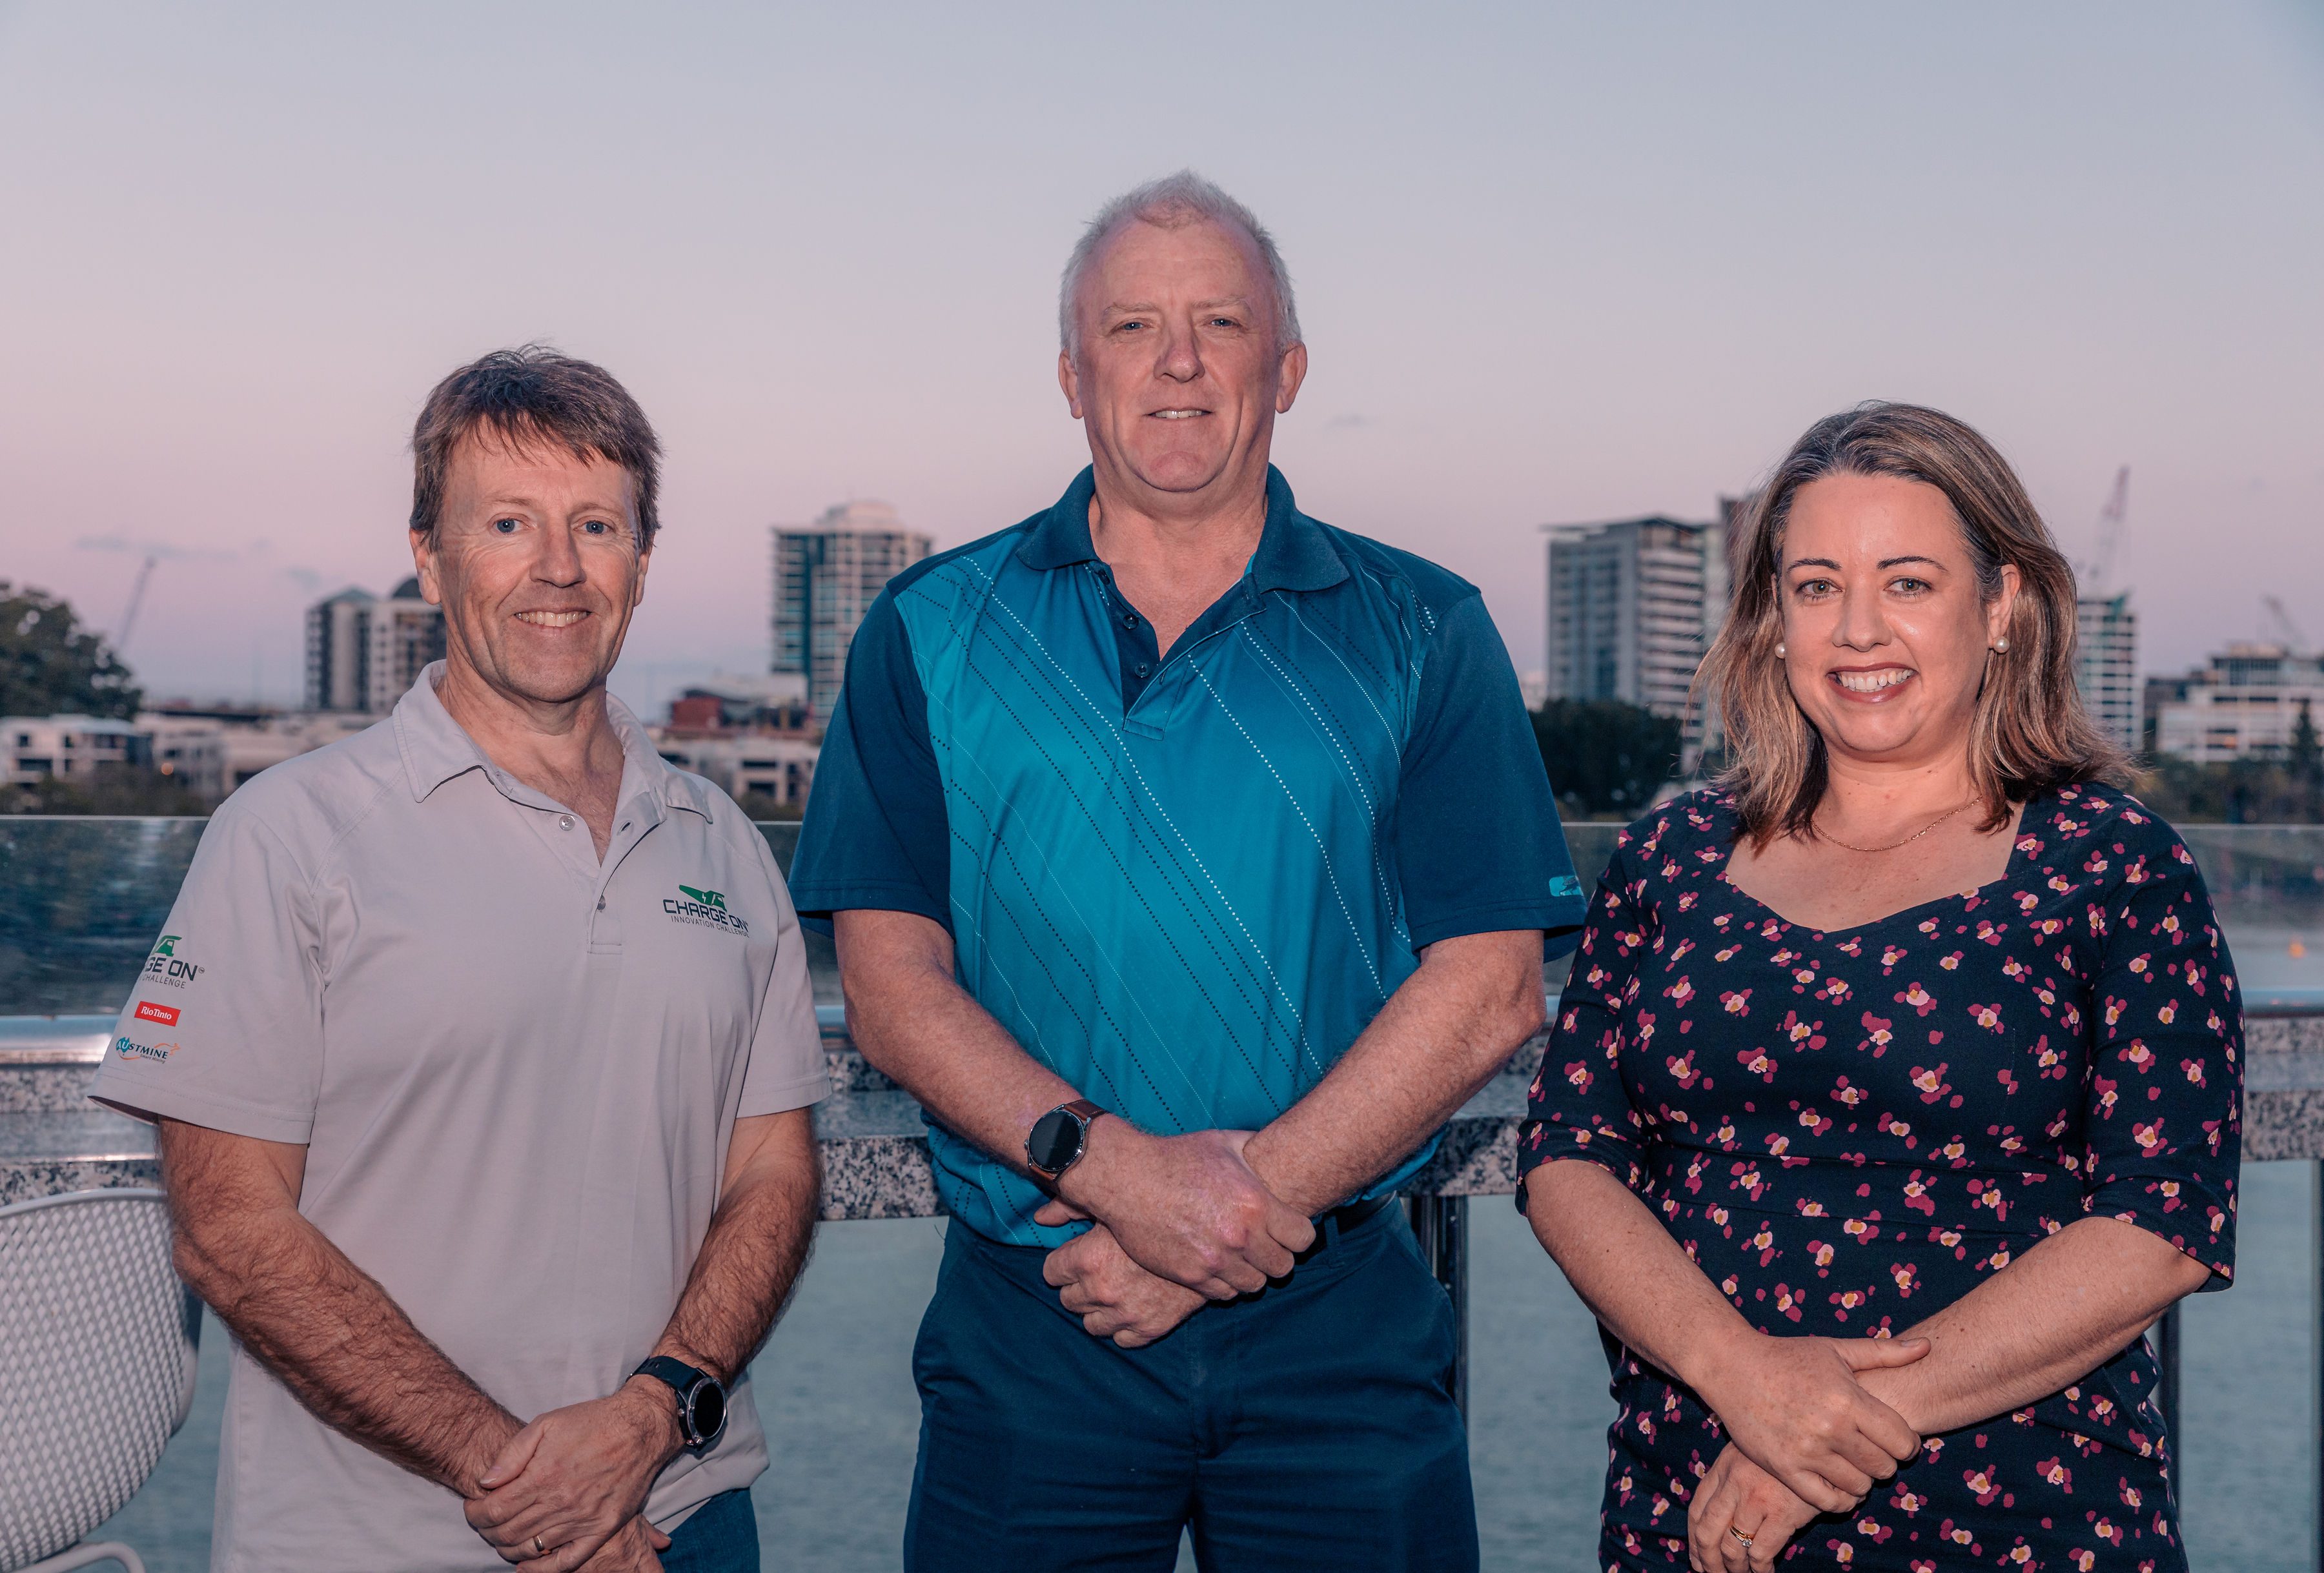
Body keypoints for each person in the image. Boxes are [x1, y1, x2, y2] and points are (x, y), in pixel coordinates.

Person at [788, 170, 1588, 1571]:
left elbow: (1490, 990)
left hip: (1338, 1322)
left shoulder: (1423, 627)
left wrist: (1220, 1208)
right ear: (1070, 373)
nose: (1176, 360)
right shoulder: (926, 630)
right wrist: (1117, 1178)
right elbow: (889, 985)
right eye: (1133, 326)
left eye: (1219, 321)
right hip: (1038, 1317)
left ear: (1284, 371)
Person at [89, 347, 830, 1573]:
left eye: (597, 524)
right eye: (507, 522)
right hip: (383, 1542)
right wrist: (536, 1489)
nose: (557, 566)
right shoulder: (291, 835)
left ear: (642, 564)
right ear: (430, 554)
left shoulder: (727, 845)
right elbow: (229, 1230)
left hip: (687, 1517)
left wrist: (652, 1414)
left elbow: (774, 1175)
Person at [1519, 402, 2243, 1572]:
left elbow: (2161, 1220)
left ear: (1999, 605)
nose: (1858, 629)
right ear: (1772, 616)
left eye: (1907, 581)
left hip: (2021, 1519)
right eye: (1815, 585)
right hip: (1695, 1508)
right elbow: (1567, 1157)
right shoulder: (1671, 858)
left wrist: (1817, 1429)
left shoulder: (2116, 867)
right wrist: (1742, 1378)